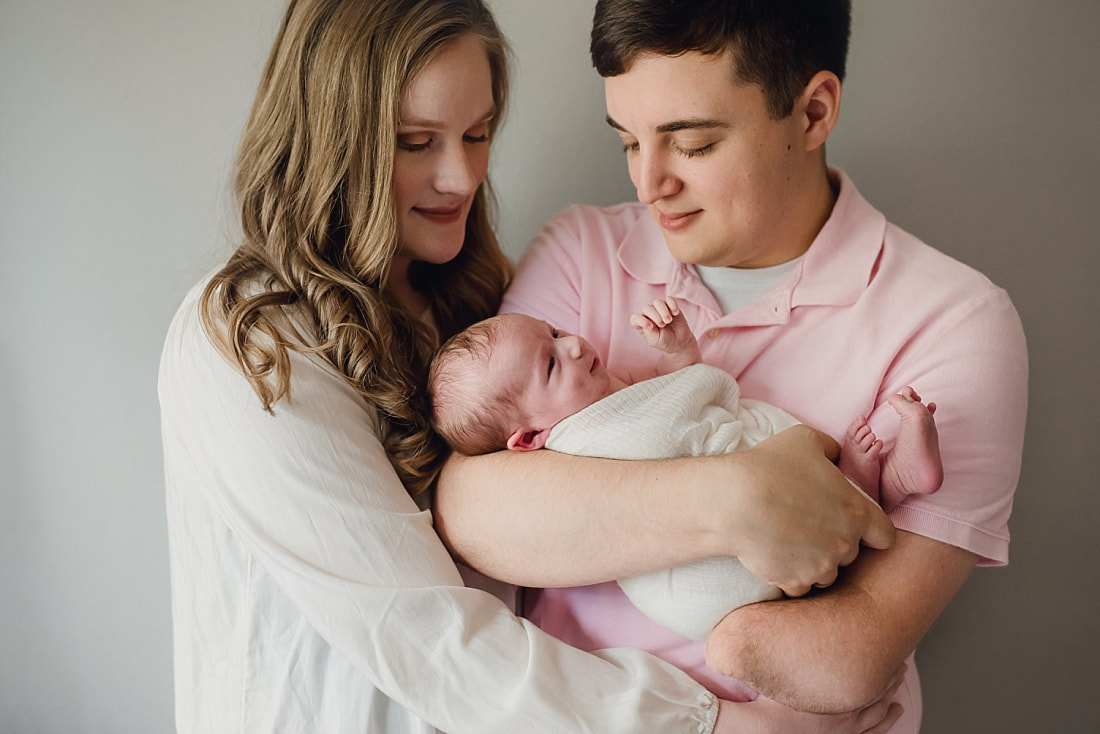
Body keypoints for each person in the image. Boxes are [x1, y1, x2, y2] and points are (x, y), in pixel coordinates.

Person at [158, 0, 904, 732]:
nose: (461, 177)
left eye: (478, 134)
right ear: (332, 138)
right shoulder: (254, 342)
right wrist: (716, 724)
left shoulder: (474, 305)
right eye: (416, 141)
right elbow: (421, 635)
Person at [433, 0, 1028, 730]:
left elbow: (849, 653)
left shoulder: (955, 323)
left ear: (812, 113)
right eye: (629, 142)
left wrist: (589, 514)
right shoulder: (581, 254)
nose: (648, 185)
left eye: (692, 145)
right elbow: (475, 514)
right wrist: (737, 500)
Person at [428, 300, 942, 641]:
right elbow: (665, 428)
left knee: (801, 480)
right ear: (530, 440)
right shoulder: (578, 445)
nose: (574, 345)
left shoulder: (603, 392)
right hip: (708, 575)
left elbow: (664, 392)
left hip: (763, 545)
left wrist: (676, 352)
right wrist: (689, 386)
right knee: (783, 465)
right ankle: (868, 480)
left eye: (556, 331)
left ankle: (889, 479)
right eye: (550, 364)